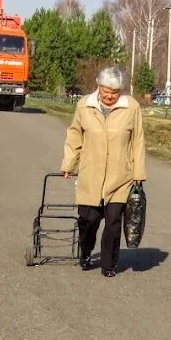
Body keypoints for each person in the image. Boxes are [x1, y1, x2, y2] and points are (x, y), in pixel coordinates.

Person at [60, 66, 147, 278]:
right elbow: (74, 136)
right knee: (88, 220)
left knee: (113, 221)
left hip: (121, 176)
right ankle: (86, 250)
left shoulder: (131, 107)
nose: (109, 95)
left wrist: (138, 171)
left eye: (114, 92)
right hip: (91, 173)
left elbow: (138, 140)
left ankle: (109, 264)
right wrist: (69, 164)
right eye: (105, 90)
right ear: (98, 86)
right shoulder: (84, 105)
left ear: (121, 91)